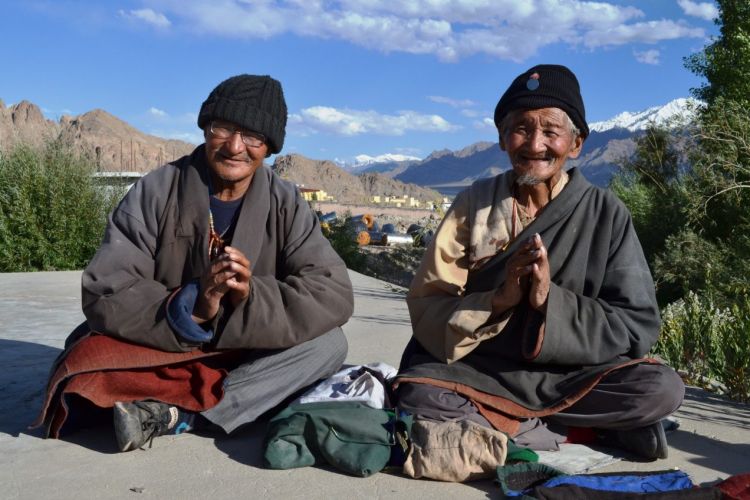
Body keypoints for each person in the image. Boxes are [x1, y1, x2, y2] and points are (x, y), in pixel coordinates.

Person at [36, 74, 354, 452]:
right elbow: (107, 287)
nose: (236, 146)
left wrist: (248, 298)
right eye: (224, 128)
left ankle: (179, 415)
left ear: (268, 146)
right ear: (205, 128)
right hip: (163, 343)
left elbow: (332, 291)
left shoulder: (286, 203)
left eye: (253, 136)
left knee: (329, 346)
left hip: (250, 350)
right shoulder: (156, 190)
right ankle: (196, 405)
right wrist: (195, 305)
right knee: (85, 358)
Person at [394, 64, 684, 461]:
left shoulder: (606, 214)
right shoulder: (473, 205)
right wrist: (500, 298)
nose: (534, 145)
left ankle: (516, 428)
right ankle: (574, 429)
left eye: (550, 130)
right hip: (481, 369)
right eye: (521, 128)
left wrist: (550, 301)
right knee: (418, 391)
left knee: (660, 388)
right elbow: (429, 303)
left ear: (576, 143)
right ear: (501, 138)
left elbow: (636, 324)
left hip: (572, 374)